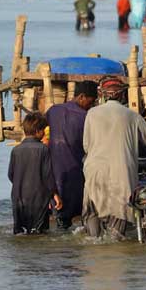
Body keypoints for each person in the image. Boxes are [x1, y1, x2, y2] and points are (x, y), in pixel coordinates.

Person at [82, 77, 146, 240]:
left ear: (103, 95)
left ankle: (93, 242)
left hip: (95, 171)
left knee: (92, 211)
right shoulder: (131, 115)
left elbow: (86, 145)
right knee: (118, 215)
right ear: (122, 96)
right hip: (121, 172)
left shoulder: (91, 114)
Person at [46, 81, 99, 229]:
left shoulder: (53, 110)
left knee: (60, 212)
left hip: (55, 170)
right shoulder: (86, 117)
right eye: (91, 101)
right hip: (76, 169)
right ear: (82, 97)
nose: (92, 104)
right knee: (82, 211)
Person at [8, 113, 63, 234]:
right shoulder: (43, 149)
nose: (44, 133)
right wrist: (54, 194)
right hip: (38, 199)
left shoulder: (15, 150)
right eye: (43, 130)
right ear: (38, 131)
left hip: (18, 197)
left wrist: (20, 184)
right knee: (39, 232)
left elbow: (11, 174)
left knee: (20, 232)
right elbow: (48, 176)